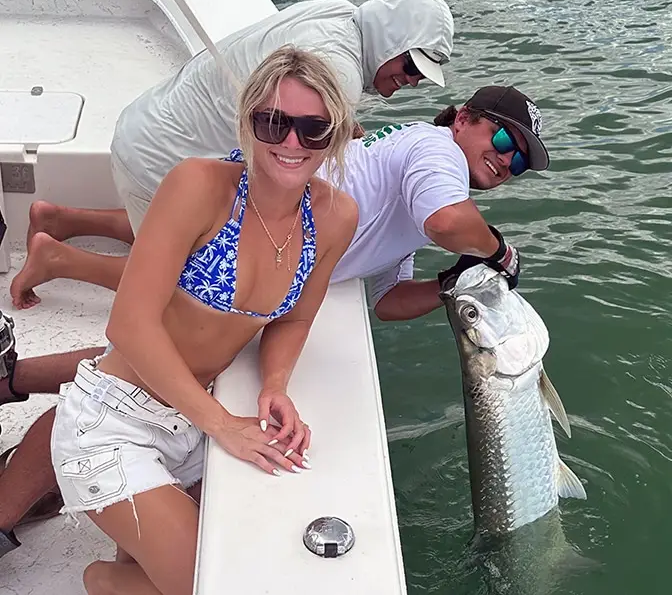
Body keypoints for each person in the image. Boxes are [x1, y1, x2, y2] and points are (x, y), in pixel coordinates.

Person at [0, 84, 549, 558]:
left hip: (186, 389)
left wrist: (448, 286)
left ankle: (16, 382)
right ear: (462, 119)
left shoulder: (361, 210)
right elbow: (451, 220)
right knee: (152, 344)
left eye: (519, 161)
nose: (506, 161)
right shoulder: (436, 151)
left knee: (180, 338)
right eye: (503, 141)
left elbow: (388, 299)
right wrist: (501, 252)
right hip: (138, 404)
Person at [30, 45, 359, 592]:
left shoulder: (335, 217)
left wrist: (275, 385)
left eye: (314, 129)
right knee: (212, 584)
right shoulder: (200, 187)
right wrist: (223, 424)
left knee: (245, 562)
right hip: (115, 423)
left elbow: (294, 320)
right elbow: (128, 325)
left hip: (193, 426)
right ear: (249, 121)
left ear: (338, 135)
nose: (291, 142)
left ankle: (123, 576)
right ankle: (102, 581)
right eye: (273, 122)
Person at [10, 0, 454, 309]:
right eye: (411, 66)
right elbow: (290, 180)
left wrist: (341, 121)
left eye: (419, 78)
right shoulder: (342, 71)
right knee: (188, 285)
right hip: (165, 159)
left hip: (147, 126)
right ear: (392, 38)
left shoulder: (339, 13)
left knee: (188, 234)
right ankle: (57, 259)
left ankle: (61, 218)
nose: (409, 83)